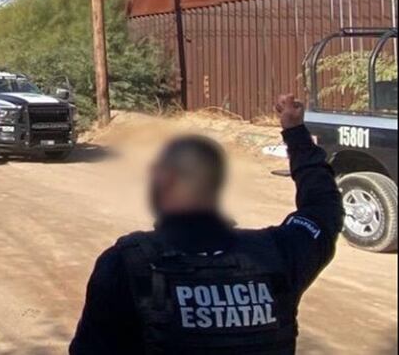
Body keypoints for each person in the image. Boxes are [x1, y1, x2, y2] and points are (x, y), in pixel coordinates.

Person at [69, 94, 343, 354]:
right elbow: (323, 209)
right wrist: (295, 134)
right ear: (217, 184)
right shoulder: (279, 251)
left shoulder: (125, 263)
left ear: (162, 182)